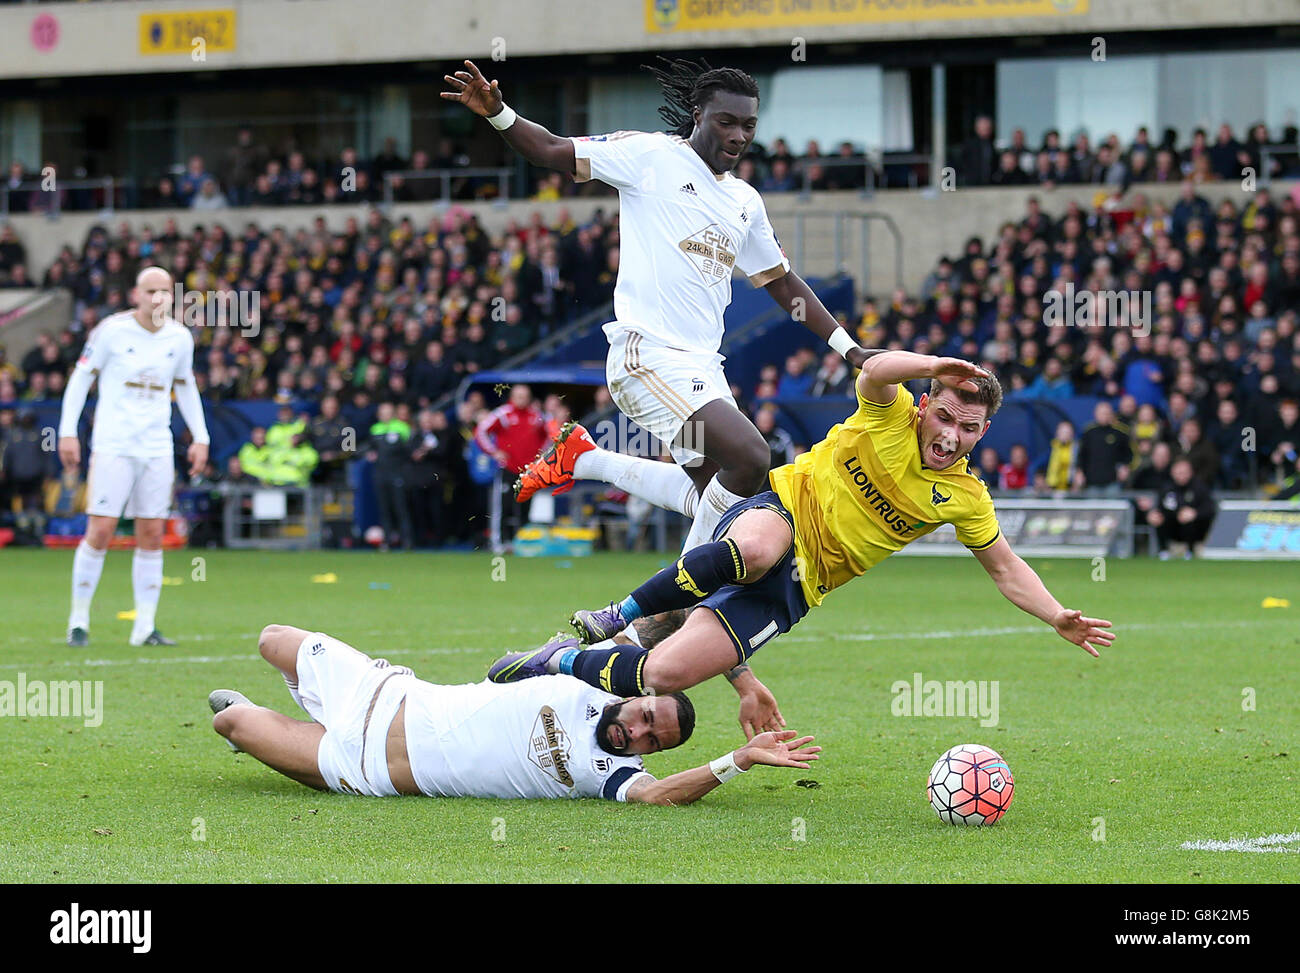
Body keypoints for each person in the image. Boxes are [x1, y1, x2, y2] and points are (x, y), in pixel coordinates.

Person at [489, 352, 1113, 731]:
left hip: (799, 588)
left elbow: (1005, 569)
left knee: (666, 673)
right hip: (779, 511)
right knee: (755, 548)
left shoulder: (968, 498)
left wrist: (1057, 614)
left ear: (984, 432)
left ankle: (556, 659)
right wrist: (933, 364)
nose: (951, 436)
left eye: (968, 428)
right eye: (944, 416)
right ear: (925, 406)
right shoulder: (891, 415)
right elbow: (872, 371)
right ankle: (617, 612)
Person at [442, 57, 872, 557]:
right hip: (646, 358)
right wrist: (499, 113)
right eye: (726, 122)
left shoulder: (745, 201)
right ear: (698, 115)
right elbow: (552, 150)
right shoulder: (650, 156)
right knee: (753, 456)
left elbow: (781, 282)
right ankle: (669, 609)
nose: (738, 136)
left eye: (748, 125)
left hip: (701, 371)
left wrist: (850, 349)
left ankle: (586, 460)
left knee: (726, 503)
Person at [209, 621, 817, 805]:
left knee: (230, 721)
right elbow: (685, 619)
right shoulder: (594, 672)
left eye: (649, 740)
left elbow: (660, 797)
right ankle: (304, 698)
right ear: (636, 693)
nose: (636, 731)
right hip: (385, 693)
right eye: (645, 714)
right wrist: (741, 676)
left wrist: (736, 760)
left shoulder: (609, 776)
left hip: (359, 770)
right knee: (270, 640)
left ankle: (265, 722)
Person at [57, 266, 209, 647]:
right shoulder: (111, 330)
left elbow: (185, 385)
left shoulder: (179, 337)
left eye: (164, 291)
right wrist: (66, 431)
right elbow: (81, 378)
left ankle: (144, 627)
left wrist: (200, 436)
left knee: (153, 533)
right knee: (102, 529)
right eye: (150, 291)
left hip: (156, 446)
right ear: (136, 295)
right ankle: (78, 620)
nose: (158, 298)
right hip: (114, 444)